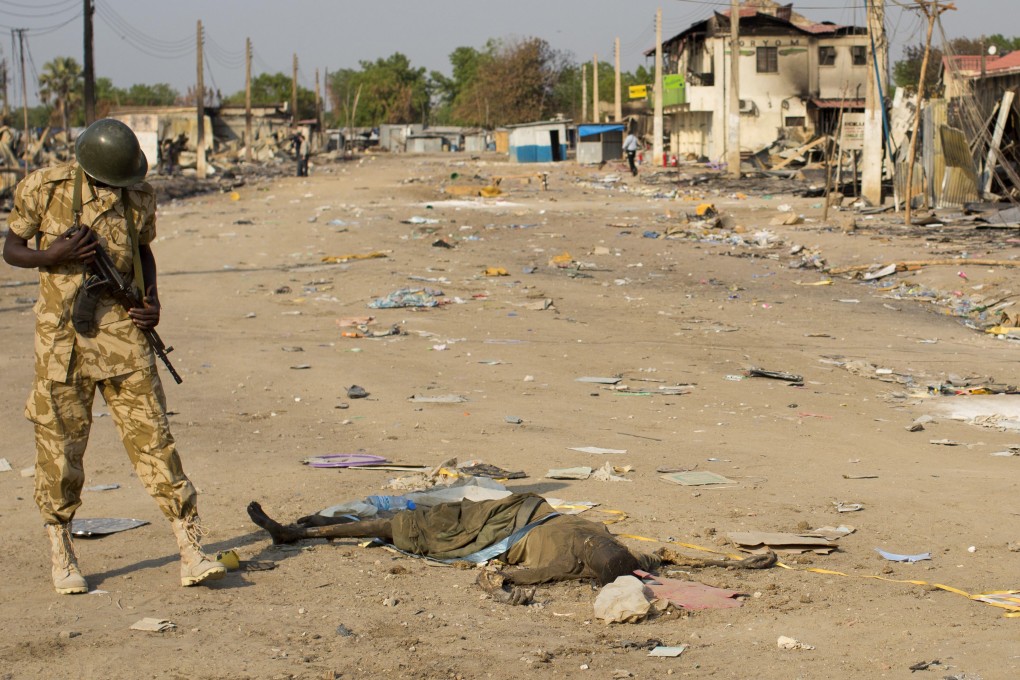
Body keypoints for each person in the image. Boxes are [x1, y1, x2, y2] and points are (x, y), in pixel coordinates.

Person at [2, 118, 226, 595]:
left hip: (123, 336)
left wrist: (152, 301)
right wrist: (52, 255)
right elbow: (12, 249)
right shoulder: (44, 187)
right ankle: (61, 547)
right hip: (62, 341)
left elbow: (143, 252)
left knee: (154, 439)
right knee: (59, 448)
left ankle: (190, 546)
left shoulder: (138, 195)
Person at [247, 493, 774, 604]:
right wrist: (744, 561)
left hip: (503, 526)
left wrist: (498, 577)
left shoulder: (576, 561)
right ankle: (308, 528)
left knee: (400, 524)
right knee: (400, 520)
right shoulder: (620, 560)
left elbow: (506, 577)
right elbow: (679, 554)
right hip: (513, 515)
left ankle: (302, 533)